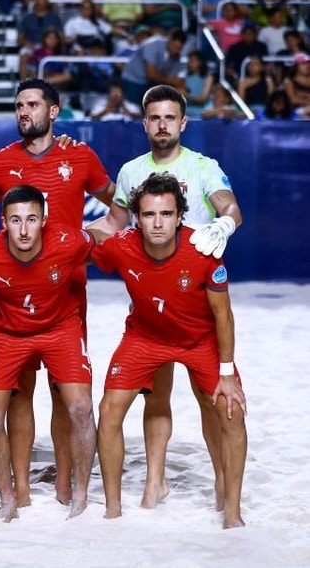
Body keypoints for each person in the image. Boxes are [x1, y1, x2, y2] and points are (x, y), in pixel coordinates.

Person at [88, 83, 243, 511]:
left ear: (183, 123)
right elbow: (115, 223)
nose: (162, 124)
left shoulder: (203, 166)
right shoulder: (131, 170)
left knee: (209, 401)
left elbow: (230, 207)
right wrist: (73, 236)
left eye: (169, 117)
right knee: (155, 397)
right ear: (145, 123)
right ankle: (155, 481)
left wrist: (225, 225)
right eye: (154, 117)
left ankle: (220, 482)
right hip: (149, 298)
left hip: (196, 292)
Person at [0, 78, 115, 509]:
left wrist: (83, 240)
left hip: (68, 295)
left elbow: (118, 207)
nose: (24, 112)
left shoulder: (79, 155)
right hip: (13, 300)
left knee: (65, 393)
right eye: (19, 105)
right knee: (18, 393)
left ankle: (64, 484)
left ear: (53, 112)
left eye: (33, 105)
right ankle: (19, 487)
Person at [0, 185, 97, 520]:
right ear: (3, 222)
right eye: (16, 220)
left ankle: (80, 494)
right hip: (8, 332)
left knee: (81, 406)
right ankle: (9, 498)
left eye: (32, 219)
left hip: (60, 327)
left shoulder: (69, 241)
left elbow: (114, 243)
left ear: (44, 220)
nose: (24, 230)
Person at [121, 27, 187, 105]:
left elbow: (175, 79)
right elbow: (151, 75)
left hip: (150, 85)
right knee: (134, 111)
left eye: (179, 49)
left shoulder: (176, 56)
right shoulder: (152, 44)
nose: (176, 51)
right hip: (133, 81)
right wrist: (170, 79)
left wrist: (171, 80)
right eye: (175, 47)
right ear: (169, 40)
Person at [181, 50, 214, 118]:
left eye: (192, 61)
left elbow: (203, 99)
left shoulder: (208, 77)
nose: (190, 64)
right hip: (187, 110)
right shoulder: (186, 76)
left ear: (200, 62)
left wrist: (188, 96)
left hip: (202, 111)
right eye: (189, 62)